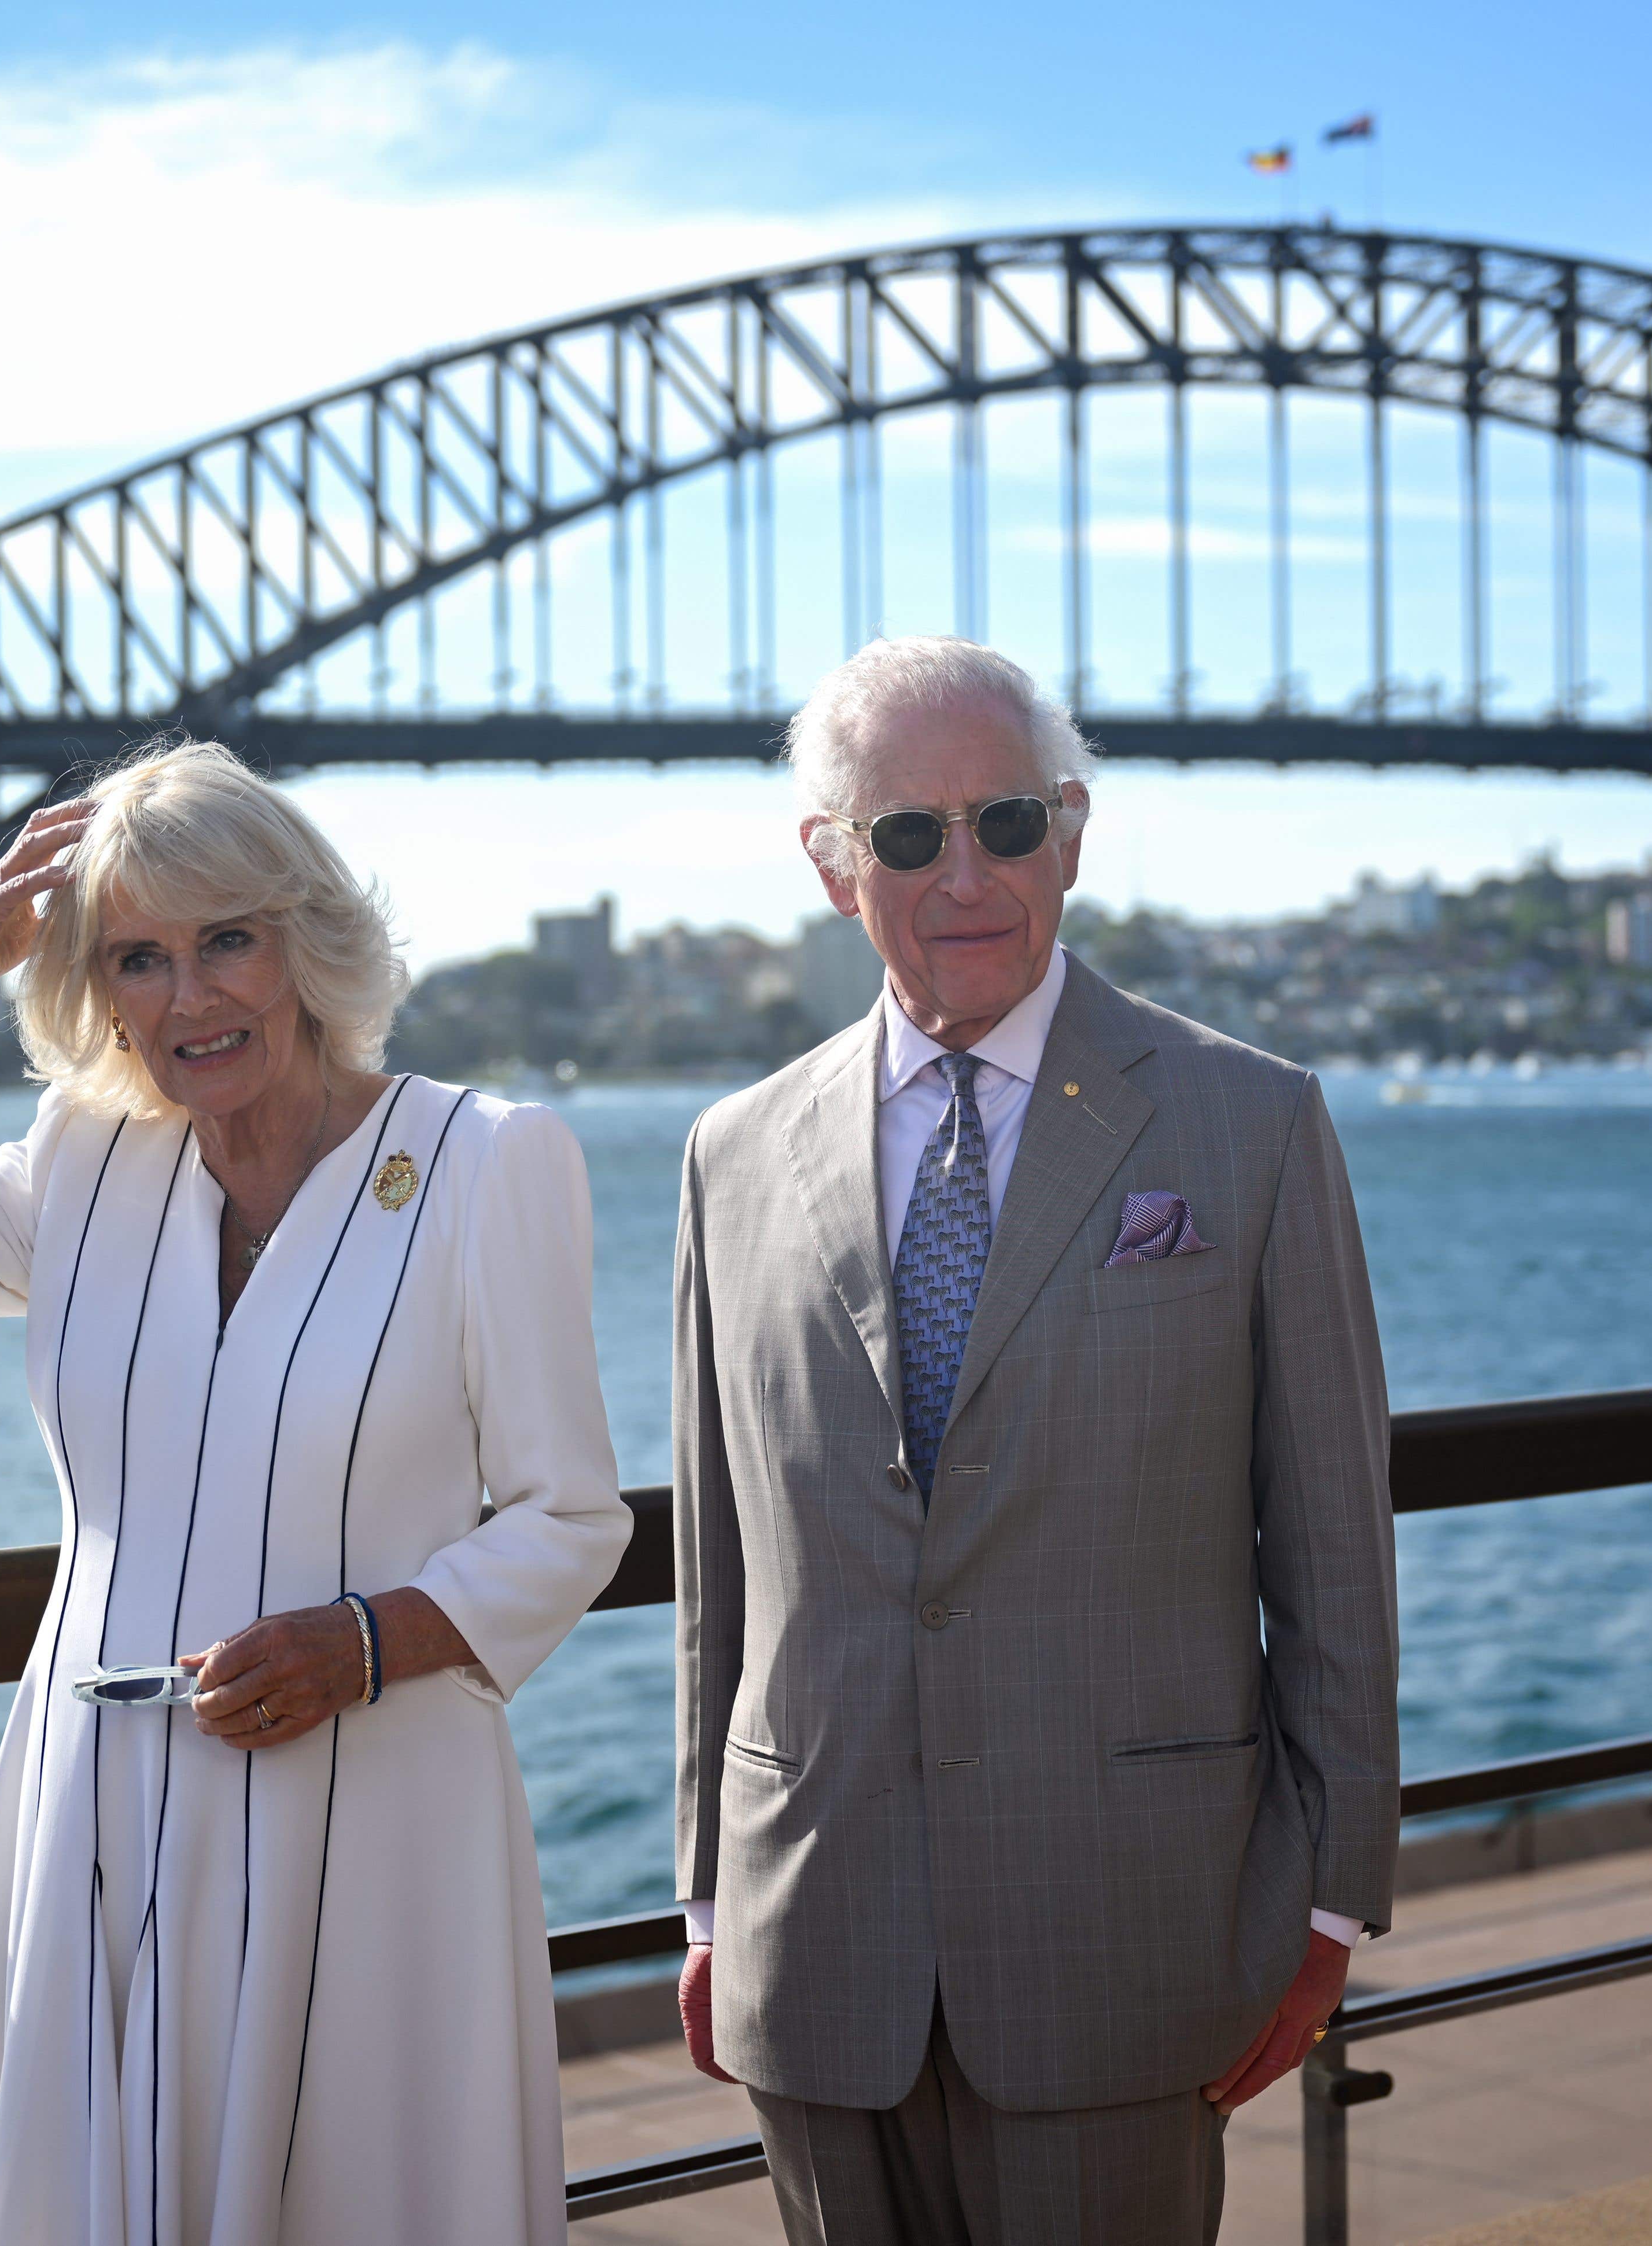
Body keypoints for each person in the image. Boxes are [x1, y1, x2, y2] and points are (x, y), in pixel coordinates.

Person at [0, 738, 631, 2245]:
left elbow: (570, 1515)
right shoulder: (85, 1165)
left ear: (306, 941)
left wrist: (360, 1639)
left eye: (228, 940)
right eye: (138, 958)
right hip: (94, 1805)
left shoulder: (483, 1161)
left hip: (372, 1794)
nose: (190, 997)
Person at [670, 639, 1400, 2245]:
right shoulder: (728, 1153)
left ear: (1070, 831)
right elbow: (717, 1570)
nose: (965, 874)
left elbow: (1331, 1537)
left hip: (1128, 1933)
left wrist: (1330, 1895)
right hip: (817, 1945)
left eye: (1003, 821)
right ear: (828, 863)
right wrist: (711, 1893)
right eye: (906, 834)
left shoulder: (1248, 1122)